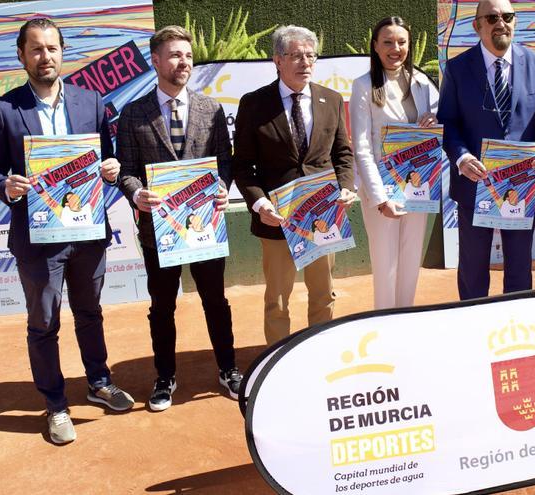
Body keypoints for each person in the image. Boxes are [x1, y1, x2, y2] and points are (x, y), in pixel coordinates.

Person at [0, 18, 134, 444]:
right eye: (35, 49)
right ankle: (55, 405)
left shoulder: (92, 102)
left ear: (62, 52)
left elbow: (108, 155)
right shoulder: (5, 109)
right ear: (21, 56)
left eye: (51, 48)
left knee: (90, 313)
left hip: (86, 233)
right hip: (36, 239)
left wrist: (112, 167)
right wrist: (5, 185)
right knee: (44, 323)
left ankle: (99, 382)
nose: (44, 56)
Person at [116, 26, 242, 409]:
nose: (183, 62)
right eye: (174, 55)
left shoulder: (211, 109)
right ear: (156, 61)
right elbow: (126, 169)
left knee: (215, 301)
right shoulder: (133, 113)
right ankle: (165, 378)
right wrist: (137, 193)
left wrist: (222, 187)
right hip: (158, 231)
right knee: (162, 307)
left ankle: (228, 369)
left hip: (204, 228)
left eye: (186, 55)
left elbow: (225, 161)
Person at [233, 25, 355, 345]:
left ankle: (318, 351)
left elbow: (343, 153)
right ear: (277, 60)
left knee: (323, 293)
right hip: (277, 220)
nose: (305, 62)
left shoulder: (331, 99)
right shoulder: (254, 104)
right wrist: (260, 205)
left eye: (310, 55)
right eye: (296, 55)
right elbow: (243, 166)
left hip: (323, 216)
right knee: (277, 299)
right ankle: (276, 359)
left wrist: (345, 186)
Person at [438, 0, 535, 300]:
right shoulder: (456, 68)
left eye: (507, 16)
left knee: (519, 267)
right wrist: (462, 157)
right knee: (473, 269)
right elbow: (448, 123)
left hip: (522, 185)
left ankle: (515, 329)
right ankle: (474, 328)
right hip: (473, 185)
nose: (500, 23)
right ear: (477, 26)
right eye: (491, 18)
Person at [349, 16, 439, 309]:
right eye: (387, 42)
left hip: (418, 187)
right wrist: (379, 197)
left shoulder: (424, 83)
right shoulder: (363, 86)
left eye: (401, 42)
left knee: (411, 261)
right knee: (386, 266)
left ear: (409, 46)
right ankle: (384, 321)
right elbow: (361, 147)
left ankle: (406, 319)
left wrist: (435, 122)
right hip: (383, 192)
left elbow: (441, 129)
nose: (395, 48)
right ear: (375, 46)